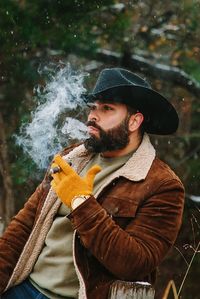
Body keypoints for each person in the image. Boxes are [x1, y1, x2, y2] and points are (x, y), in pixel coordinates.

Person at [0, 68, 184, 299]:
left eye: (107, 108)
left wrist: (81, 202)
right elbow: (24, 229)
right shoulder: (71, 159)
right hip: (25, 288)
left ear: (135, 121)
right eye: (93, 107)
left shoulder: (162, 185)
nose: (92, 116)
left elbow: (135, 263)